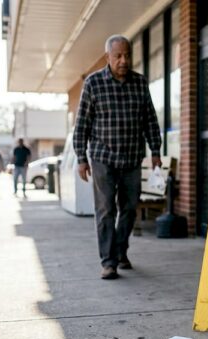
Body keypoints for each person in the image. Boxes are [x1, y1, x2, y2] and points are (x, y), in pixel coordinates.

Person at [73, 34, 162, 280]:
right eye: (118, 56)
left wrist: (155, 151)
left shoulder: (140, 83)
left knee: (130, 209)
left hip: (132, 158)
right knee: (105, 211)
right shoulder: (93, 83)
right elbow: (82, 124)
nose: (123, 60)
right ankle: (108, 261)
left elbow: (150, 120)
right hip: (103, 158)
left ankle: (121, 250)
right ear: (108, 57)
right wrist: (81, 157)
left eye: (127, 55)